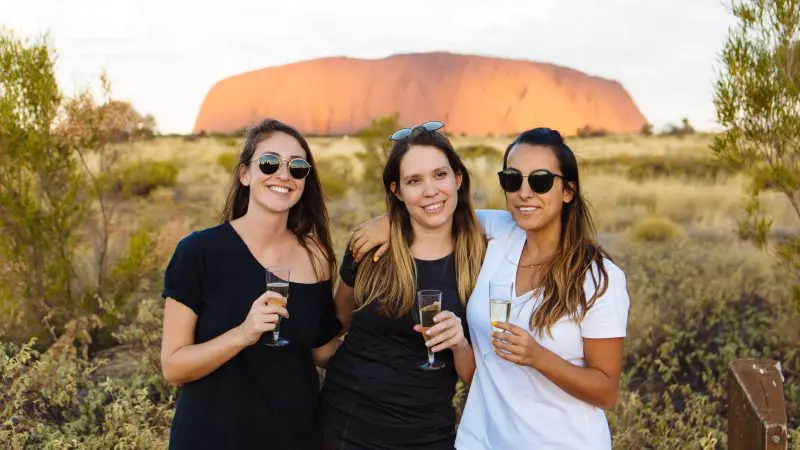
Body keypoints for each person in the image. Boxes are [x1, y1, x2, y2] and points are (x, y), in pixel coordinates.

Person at [351, 127, 630, 450]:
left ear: (567, 190)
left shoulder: (598, 279)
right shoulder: (500, 235)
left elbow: (606, 391)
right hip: (481, 440)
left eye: (540, 181)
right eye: (512, 179)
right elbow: (438, 209)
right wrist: (389, 221)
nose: (524, 192)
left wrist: (538, 357)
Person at [160, 119, 342, 450]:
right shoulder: (199, 252)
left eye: (297, 167)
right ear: (245, 174)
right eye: (270, 163)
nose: (284, 175)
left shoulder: (317, 256)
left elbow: (321, 349)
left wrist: (392, 342)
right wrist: (243, 335)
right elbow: (174, 366)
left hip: (295, 438)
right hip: (212, 438)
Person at [318, 121, 487, 449]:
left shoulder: (482, 260)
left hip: (426, 435)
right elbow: (337, 322)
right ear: (396, 190)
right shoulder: (369, 248)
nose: (430, 191)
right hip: (344, 427)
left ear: (458, 178)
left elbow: (478, 377)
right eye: (414, 181)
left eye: (440, 175)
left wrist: (459, 345)